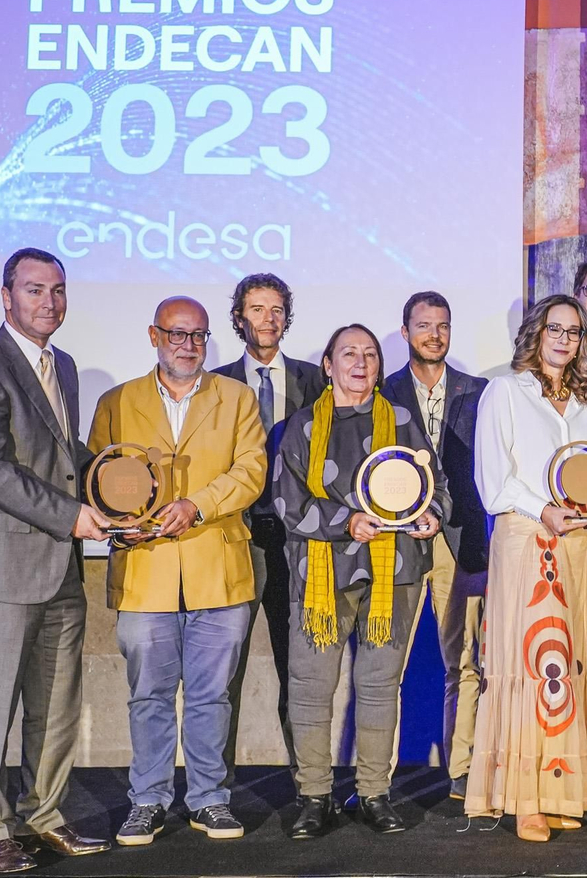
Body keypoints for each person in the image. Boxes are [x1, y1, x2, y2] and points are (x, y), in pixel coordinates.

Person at [0, 248, 112, 873]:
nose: (50, 302)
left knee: (56, 703)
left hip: (59, 564)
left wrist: (119, 482)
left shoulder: (59, 365)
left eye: (58, 290)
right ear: (6, 295)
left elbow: (61, 455)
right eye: (35, 290)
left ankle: (43, 817)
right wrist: (73, 516)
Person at [90, 297, 267, 845]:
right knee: (149, 696)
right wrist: (123, 522)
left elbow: (251, 471)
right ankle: (147, 801)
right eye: (177, 334)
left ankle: (209, 799)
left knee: (213, 696)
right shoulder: (117, 401)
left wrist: (198, 503)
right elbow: (99, 477)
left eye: (198, 336)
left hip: (217, 565)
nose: (188, 345)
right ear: (154, 336)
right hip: (146, 571)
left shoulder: (237, 397)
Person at [274, 325, 449, 839]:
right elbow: (288, 506)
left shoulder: (402, 420)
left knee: (378, 689)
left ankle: (374, 792)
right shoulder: (302, 427)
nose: (361, 361)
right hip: (321, 577)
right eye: (348, 353)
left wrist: (431, 516)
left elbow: (434, 484)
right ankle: (313, 796)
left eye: (370, 354)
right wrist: (344, 522)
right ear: (327, 365)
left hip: (392, 574)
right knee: (309, 691)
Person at [466, 295, 587, 840]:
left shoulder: (583, 400)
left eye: (575, 332)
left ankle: (565, 792)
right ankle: (526, 799)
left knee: (576, 663)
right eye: (554, 329)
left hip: (579, 545)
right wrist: (545, 511)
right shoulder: (504, 392)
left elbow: (582, 475)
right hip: (528, 539)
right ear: (534, 334)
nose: (564, 339)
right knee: (538, 666)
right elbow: (493, 485)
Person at [212, 272, 324, 769]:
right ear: (239, 317)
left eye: (276, 309)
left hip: (299, 542)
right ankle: (215, 790)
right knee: (224, 674)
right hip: (235, 539)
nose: (268, 318)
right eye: (257, 309)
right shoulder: (214, 384)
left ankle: (308, 786)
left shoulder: (315, 380)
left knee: (297, 668)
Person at [381, 291, 488, 801]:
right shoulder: (381, 392)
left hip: (462, 541)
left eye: (443, 325)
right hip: (395, 543)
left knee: (465, 662)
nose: (435, 334)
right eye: (424, 325)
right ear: (405, 332)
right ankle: (375, 781)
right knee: (384, 668)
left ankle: (461, 773)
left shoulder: (480, 392)